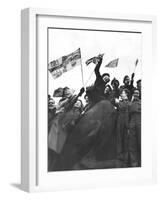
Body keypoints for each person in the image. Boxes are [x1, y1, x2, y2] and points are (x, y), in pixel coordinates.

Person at [116, 88, 131, 166]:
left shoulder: (128, 102)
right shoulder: (121, 102)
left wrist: (118, 102)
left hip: (126, 124)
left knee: (125, 141)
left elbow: (123, 106)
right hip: (120, 122)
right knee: (119, 139)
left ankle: (126, 159)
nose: (121, 94)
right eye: (121, 93)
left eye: (123, 93)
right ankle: (120, 157)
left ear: (127, 95)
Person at [128, 89, 141, 166]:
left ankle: (141, 162)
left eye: (138, 93)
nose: (136, 94)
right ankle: (134, 163)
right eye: (135, 93)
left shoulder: (142, 102)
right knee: (132, 144)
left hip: (140, 121)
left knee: (141, 142)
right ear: (133, 94)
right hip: (132, 121)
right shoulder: (130, 103)